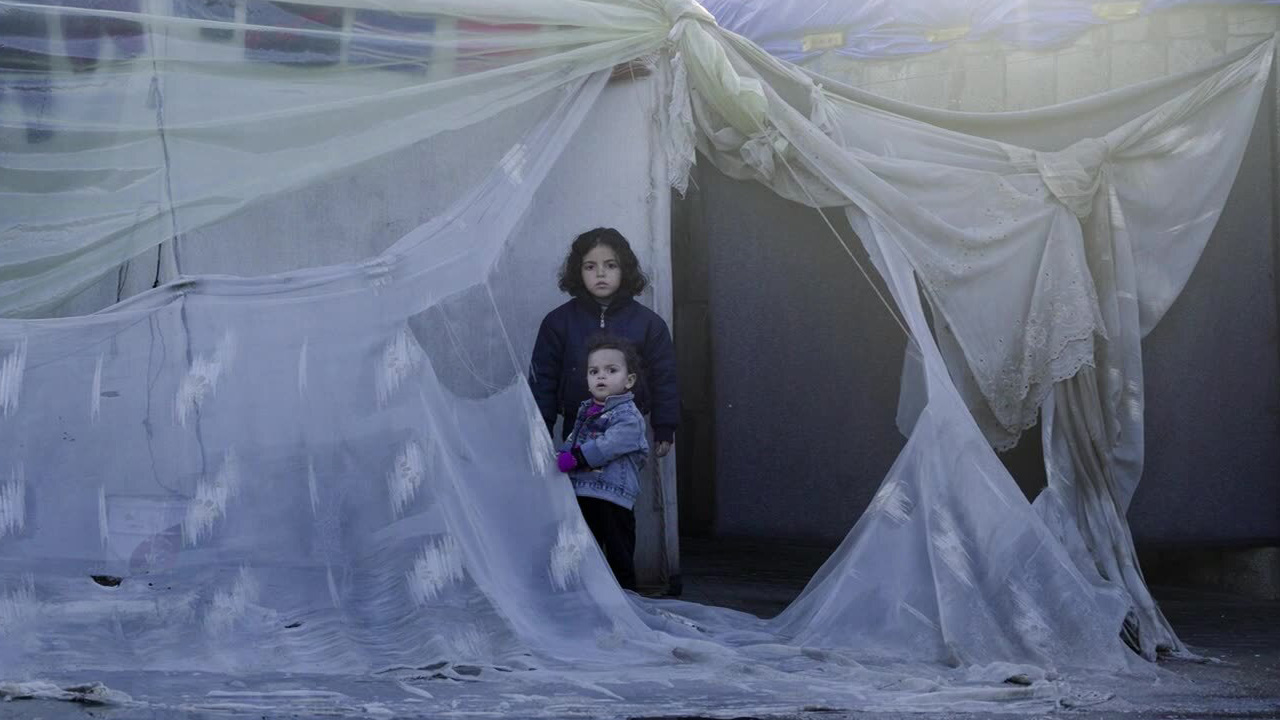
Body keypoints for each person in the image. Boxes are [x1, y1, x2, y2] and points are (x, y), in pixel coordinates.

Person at [529, 227, 678, 456]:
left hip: (627, 435)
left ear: (624, 270)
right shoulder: (558, 322)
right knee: (579, 485)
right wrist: (541, 433)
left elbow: (664, 378)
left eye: (610, 265)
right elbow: (543, 382)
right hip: (575, 430)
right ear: (578, 271)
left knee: (616, 489)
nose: (600, 273)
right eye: (590, 266)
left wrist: (665, 428)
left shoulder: (649, 324)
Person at [556, 335, 649, 590]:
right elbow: (573, 441)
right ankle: (592, 599)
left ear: (629, 380)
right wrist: (560, 457)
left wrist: (576, 458)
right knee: (586, 549)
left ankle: (627, 600)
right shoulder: (586, 411)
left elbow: (610, 444)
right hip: (584, 492)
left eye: (611, 370)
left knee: (618, 551)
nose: (601, 377)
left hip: (613, 497)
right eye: (593, 371)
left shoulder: (629, 416)